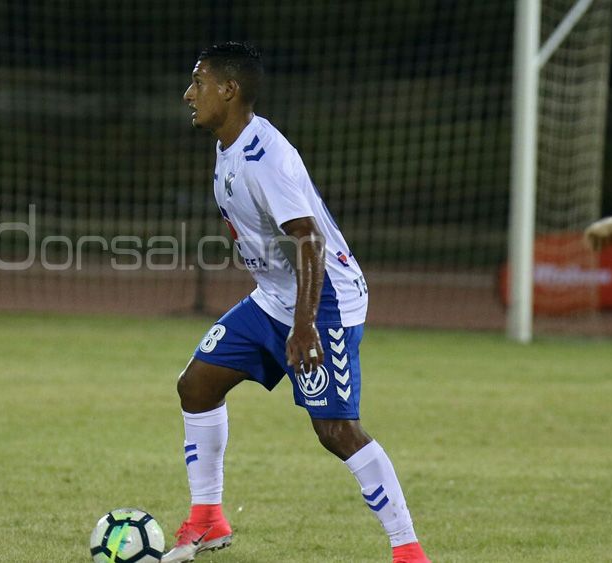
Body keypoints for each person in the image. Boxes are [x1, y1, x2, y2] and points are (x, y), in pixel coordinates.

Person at [162, 43, 428, 563]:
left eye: (198, 82)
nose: (189, 94)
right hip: (276, 299)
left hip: (325, 300)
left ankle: (408, 551)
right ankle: (208, 518)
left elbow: (310, 240)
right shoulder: (229, 145)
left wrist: (304, 326)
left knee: (336, 430)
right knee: (197, 385)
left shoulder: (266, 160)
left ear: (229, 90)